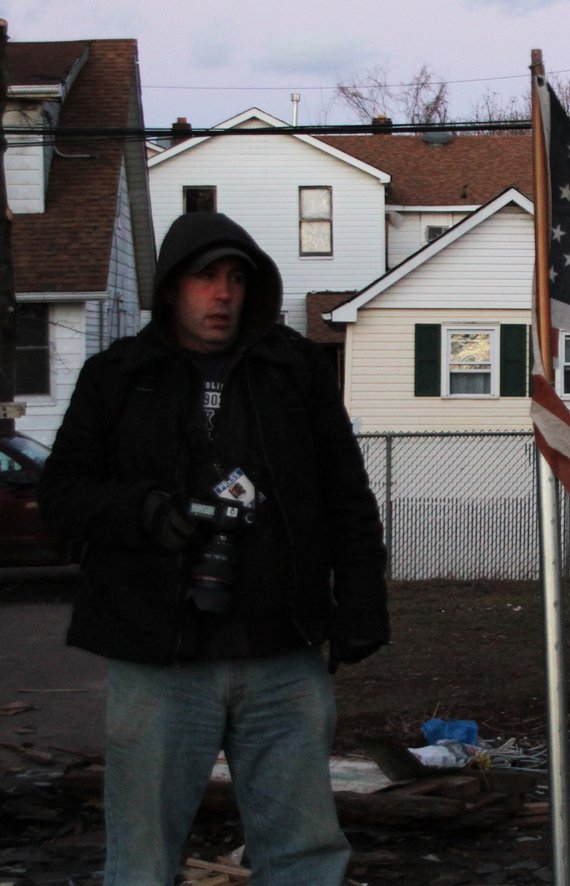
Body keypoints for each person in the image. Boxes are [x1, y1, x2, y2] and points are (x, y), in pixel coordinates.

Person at [37, 211, 389, 885]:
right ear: (172, 287)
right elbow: (63, 495)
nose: (223, 294)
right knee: (141, 859)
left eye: (235, 278)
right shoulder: (117, 376)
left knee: (304, 854)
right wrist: (142, 511)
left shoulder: (297, 371)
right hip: (157, 657)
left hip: (281, 654)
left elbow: (347, 496)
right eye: (206, 277)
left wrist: (362, 604)